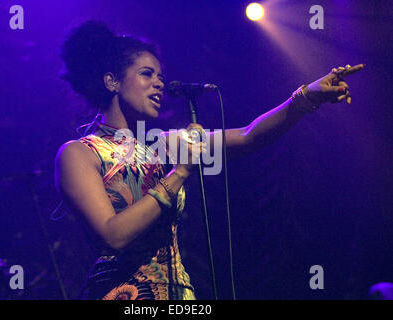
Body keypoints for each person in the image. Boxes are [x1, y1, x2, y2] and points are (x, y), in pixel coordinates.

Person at [55, 20, 364, 300]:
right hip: (122, 295)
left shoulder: (161, 146)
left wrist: (307, 96)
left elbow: (248, 136)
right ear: (112, 82)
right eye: (147, 74)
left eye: (161, 76)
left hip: (179, 294)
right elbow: (114, 236)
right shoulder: (79, 153)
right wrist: (180, 173)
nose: (160, 83)